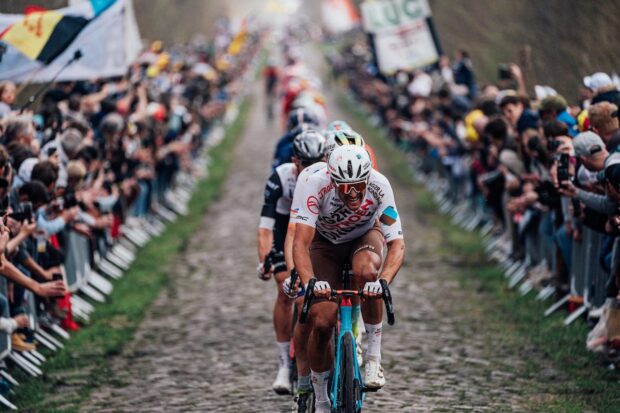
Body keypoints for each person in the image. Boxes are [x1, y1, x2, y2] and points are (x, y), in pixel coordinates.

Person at [286, 145, 405, 413]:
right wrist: (311, 282)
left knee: (368, 274)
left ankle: (373, 357)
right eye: (344, 186)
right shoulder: (314, 182)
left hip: (364, 237)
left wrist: (382, 281)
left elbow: (397, 244)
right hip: (324, 243)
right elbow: (301, 243)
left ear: (368, 178)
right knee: (323, 320)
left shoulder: (379, 185)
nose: (352, 193)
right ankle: (321, 398)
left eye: (358, 186)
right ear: (332, 179)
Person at [257, 129, 326, 394]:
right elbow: (266, 227)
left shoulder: (327, 177)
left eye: (316, 163)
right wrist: (265, 259)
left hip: (312, 228)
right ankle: (284, 364)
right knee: (286, 288)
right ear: (295, 161)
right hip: (285, 227)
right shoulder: (282, 178)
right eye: (304, 165)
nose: (310, 170)